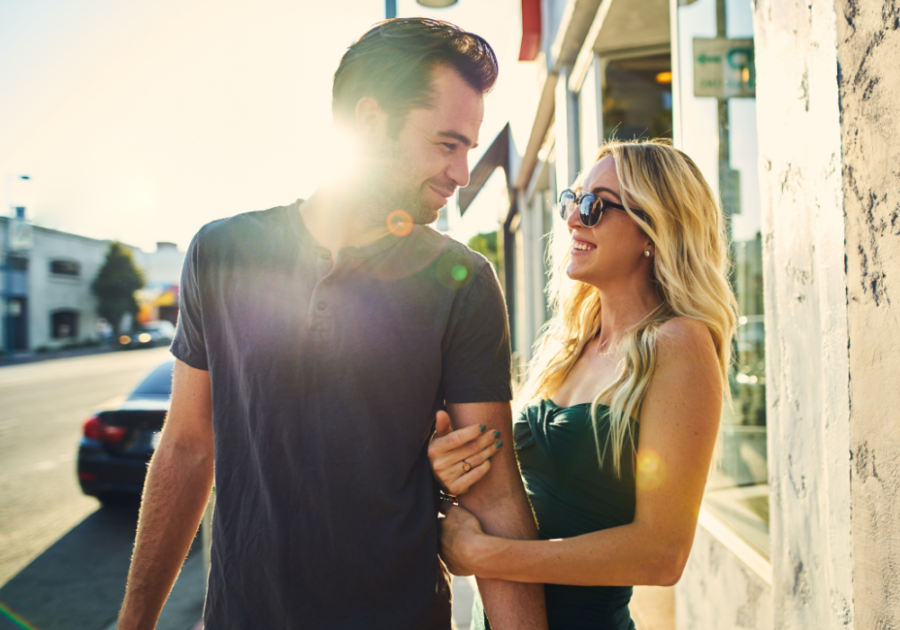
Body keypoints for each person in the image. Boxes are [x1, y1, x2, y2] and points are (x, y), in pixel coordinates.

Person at [116, 18, 546, 630]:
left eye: (469, 149)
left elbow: (495, 489)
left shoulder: (464, 282)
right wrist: (134, 623)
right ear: (371, 121)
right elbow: (186, 449)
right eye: (447, 144)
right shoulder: (221, 252)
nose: (462, 172)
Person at [428, 139, 738, 629]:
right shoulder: (566, 345)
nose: (573, 219)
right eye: (572, 201)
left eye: (595, 206)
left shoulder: (679, 343)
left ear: (652, 230)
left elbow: (662, 554)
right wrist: (453, 473)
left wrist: (485, 556)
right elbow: (526, 493)